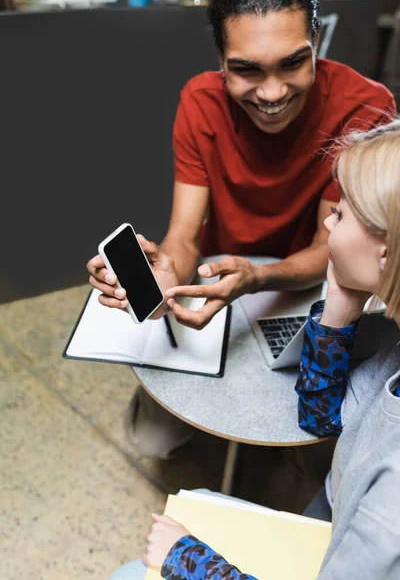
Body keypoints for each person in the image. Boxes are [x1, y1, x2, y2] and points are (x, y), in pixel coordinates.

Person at [87, 0, 395, 458]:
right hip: (221, 278)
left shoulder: (363, 106)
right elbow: (185, 235)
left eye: (293, 62)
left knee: (308, 439)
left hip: (312, 290)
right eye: (247, 71)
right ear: (221, 66)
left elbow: (327, 246)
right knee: (153, 441)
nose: (272, 93)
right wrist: (167, 271)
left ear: (316, 45)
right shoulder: (200, 101)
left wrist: (257, 276)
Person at [110, 119, 400, 580]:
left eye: (341, 214)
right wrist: (341, 304)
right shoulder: (393, 354)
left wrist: (188, 559)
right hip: (331, 524)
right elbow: (321, 416)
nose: (327, 220)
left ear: (385, 254)